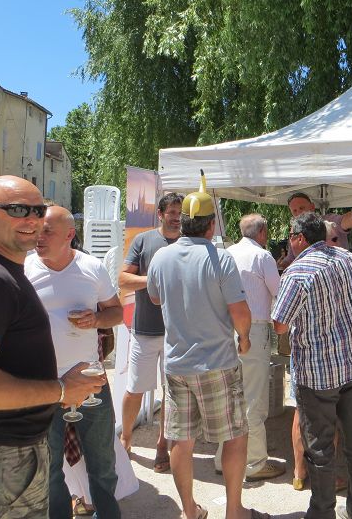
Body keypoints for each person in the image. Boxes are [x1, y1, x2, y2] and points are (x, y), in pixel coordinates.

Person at [0, 176, 105, 517]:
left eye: (38, 210)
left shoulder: (7, 272)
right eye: (16, 209)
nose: (31, 219)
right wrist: (61, 389)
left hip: (7, 455)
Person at [147, 175, 267, 519]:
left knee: (181, 441)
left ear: (183, 222)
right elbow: (240, 311)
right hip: (217, 363)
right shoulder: (220, 258)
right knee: (235, 436)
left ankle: (190, 510)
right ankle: (233, 511)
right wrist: (244, 338)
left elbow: (155, 298)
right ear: (211, 225)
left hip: (176, 366)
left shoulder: (161, 258)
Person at [273, 212, 352, 519]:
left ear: (298, 238)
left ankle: (322, 512)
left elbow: (280, 325)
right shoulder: (347, 258)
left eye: (290, 238)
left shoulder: (297, 272)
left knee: (320, 448)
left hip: (317, 375)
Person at [25, 205, 123, 519]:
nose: (39, 237)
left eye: (47, 231)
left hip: (91, 381)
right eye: (37, 230)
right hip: (45, 385)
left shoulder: (92, 267)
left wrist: (96, 319)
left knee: (102, 464)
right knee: (50, 467)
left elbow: (117, 312)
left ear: (69, 234)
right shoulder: (23, 268)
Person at [213, 214, 285, 482]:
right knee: (253, 398)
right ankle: (254, 462)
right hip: (253, 328)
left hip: (225, 329)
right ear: (262, 232)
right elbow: (280, 292)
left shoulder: (225, 254)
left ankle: (223, 458)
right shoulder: (262, 256)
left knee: (229, 397)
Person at [118, 192, 183, 470]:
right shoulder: (143, 240)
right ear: (160, 214)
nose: (177, 218)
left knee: (172, 393)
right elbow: (123, 279)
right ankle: (126, 438)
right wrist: (154, 279)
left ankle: (162, 445)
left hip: (177, 334)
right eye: (172, 212)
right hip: (145, 330)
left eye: (180, 213)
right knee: (134, 389)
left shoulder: (187, 243)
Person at [278, 192, 352, 268]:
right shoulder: (295, 232)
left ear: (312, 207)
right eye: (294, 211)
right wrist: (279, 265)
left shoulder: (328, 221)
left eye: (302, 208)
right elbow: (290, 259)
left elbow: (345, 222)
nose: (299, 213)